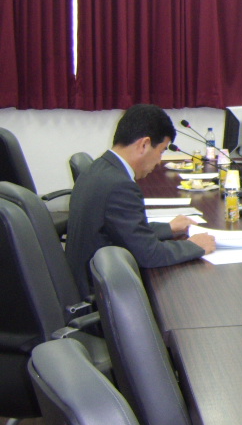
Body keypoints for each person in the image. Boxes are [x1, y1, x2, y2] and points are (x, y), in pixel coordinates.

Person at [66, 104, 215, 296]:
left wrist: (168, 228)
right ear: (144, 144)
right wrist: (194, 246)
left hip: (85, 278)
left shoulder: (99, 168)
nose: (159, 161)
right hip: (101, 293)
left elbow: (125, 230)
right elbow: (148, 254)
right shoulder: (120, 186)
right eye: (161, 151)